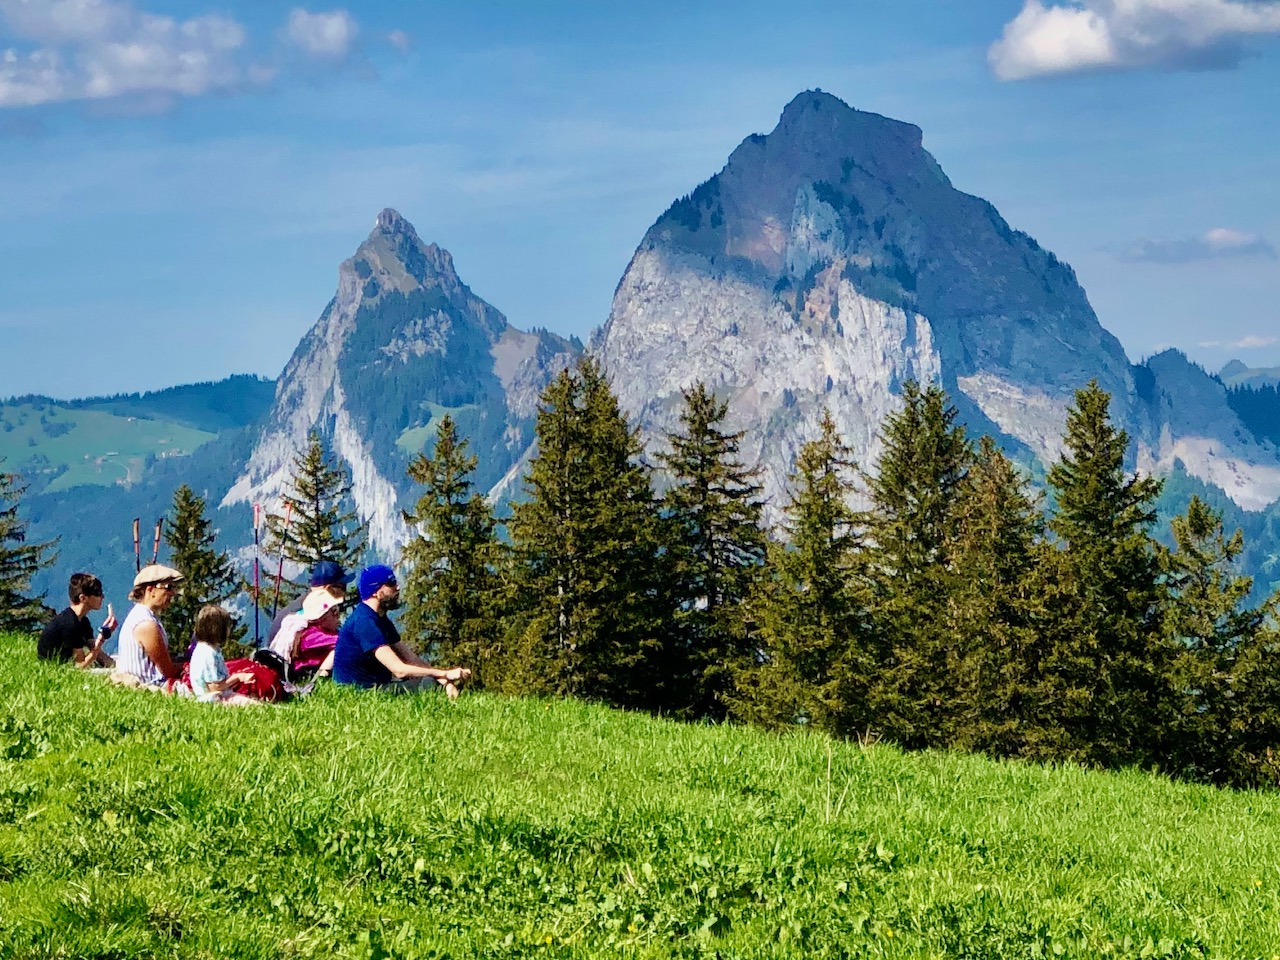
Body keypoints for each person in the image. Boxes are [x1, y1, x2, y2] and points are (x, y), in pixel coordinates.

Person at [332, 564, 470, 696]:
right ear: (375, 591)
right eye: (391, 583)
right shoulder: (364, 622)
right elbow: (399, 670)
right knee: (428, 684)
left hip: (374, 686)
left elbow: (410, 659)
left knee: (432, 681)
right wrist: (444, 674)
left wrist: (444, 680)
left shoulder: (379, 619)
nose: (397, 587)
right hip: (361, 692)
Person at [113, 564, 187, 691]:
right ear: (151, 590)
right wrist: (188, 667)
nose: (173, 593)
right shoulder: (147, 624)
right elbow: (167, 670)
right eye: (168, 588)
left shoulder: (140, 615)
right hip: (151, 686)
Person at [37, 572, 118, 668]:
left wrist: (117, 667)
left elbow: (95, 650)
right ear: (83, 598)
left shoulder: (82, 621)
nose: (102, 597)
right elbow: (80, 666)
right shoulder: (70, 624)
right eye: (98, 593)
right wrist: (101, 639)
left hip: (64, 666)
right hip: (53, 669)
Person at [265, 561, 353, 648]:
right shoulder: (305, 613)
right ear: (329, 589)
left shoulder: (306, 604)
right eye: (342, 588)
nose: (344, 594)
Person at [188, 605, 258, 705]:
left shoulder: (206, 648)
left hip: (216, 696)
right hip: (214, 699)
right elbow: (214, 687)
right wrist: (238, 677)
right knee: (254, 706)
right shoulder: (208, 654)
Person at [290, 588, 342, 679]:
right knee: (338, 649)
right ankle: (321, 678)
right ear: (321, 617)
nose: (338, 617)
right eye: (334, 612)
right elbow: (343, 641)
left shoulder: (325, 631)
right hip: (306, 674)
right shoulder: (310, 636)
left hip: (313, 671)